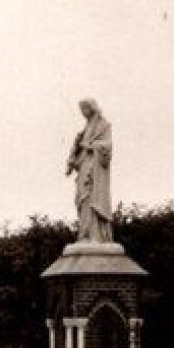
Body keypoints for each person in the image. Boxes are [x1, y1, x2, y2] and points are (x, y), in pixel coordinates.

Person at [66, 98, 114, 244]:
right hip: (84, 167)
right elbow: (79, 151)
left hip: (95, 168)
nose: (83, 113)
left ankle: (96, 236)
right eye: (81, 110)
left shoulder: (103, 125)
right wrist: (74, 157)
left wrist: (91, 146)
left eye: (85, 109)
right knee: (82, 199)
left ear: (92, 108)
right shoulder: (85, 129)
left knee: (91, 198)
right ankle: (85, 234)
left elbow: (108, 146)